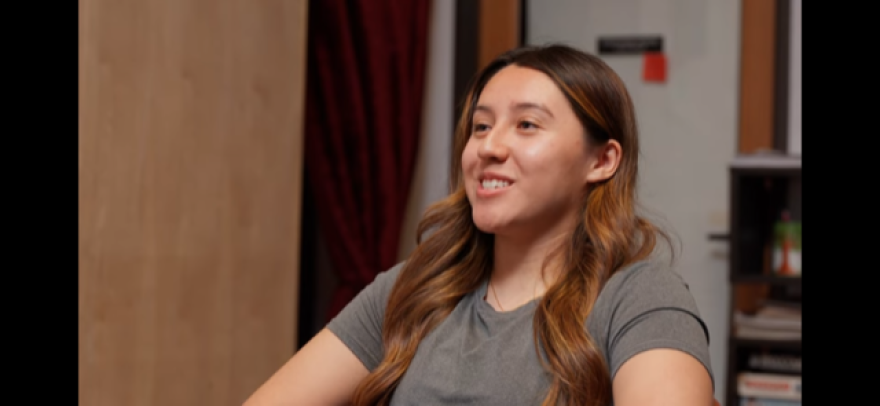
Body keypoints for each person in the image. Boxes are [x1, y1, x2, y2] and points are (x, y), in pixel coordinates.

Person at [244, 44, 715, 406]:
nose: (488, 147)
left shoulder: (639, 296)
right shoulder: (413, 289)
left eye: (527, 125)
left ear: (602, 160)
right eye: (481, 127)